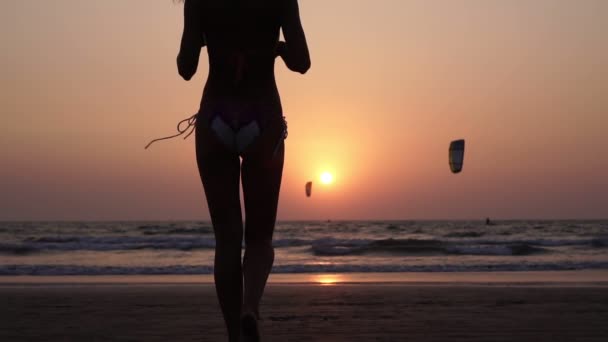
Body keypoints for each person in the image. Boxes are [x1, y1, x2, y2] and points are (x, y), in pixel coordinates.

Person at [177, 1, 310, 341]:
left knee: (226, 239)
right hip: (262, 115)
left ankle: (234, 335)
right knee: (260, 238)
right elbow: (303, 62)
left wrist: (208, 37)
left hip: (215, 116)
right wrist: (277, 48)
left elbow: (186, 67)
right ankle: (250, 308)